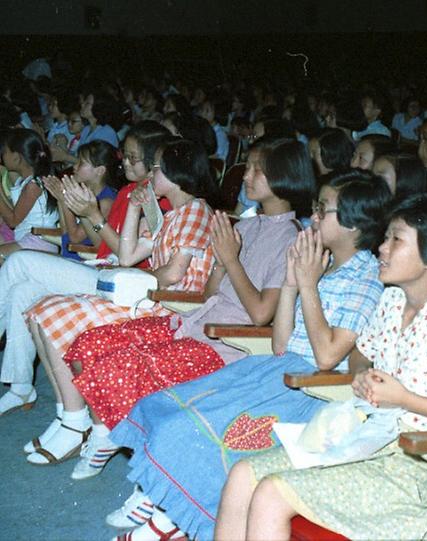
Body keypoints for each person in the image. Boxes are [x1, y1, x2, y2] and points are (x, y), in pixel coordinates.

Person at [104, 171, 389, 540]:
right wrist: (291, 283)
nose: (313, 216)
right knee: (174, 407)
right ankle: (168, 505)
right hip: (277, 369)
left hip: (312, 391)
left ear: (355, 223)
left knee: (200, 431)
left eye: (323, 210)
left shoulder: (365, 279)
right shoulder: (320, 260)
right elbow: (281, 344)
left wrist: (306, 284)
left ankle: (175, 518)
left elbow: (325, 356)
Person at [25, 138, 315, 482]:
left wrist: (230, 260)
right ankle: (101, 430)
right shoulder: (247, 226)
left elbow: (260, 314)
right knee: (87, 345)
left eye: (256, 169)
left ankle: (110, 439)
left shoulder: (289, 237)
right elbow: (210, 293)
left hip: (227, 344)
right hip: (193, 322)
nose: (246, 176)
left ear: (282, 177)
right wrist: (223, 264)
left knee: (115, 366)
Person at [215, 194, 427, 541]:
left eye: (396, 240)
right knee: (243, 473)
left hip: (414, 466)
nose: (381, 248)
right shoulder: (393, 300)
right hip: (365, 439)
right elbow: (361, 352)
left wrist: (405, 398)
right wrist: (364, 372)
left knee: (272, 493)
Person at [24, 139, 217, 466]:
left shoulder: (196, 211)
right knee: (41, 310)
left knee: (49, 313)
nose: (151, 173)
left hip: (170, 308)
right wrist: (135, 208)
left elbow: (172, 275)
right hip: (151, 300)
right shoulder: (173, 214)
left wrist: (134, 279)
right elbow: (128, 255)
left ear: (176, 173)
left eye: (157, 167)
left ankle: (75, 420)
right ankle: (68, 415)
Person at [0, 123, 170, 417]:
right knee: (21, 292)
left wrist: (91, 213)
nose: (125, 163)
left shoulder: (155, 199)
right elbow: (98, 244)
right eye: (125, 156)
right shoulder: (129, 191)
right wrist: (80, 209)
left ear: (156, 164)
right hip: (101, 268)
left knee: (19, 261)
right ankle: (20, 386)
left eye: (133, 158)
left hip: (126, 284)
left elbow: (126, 257)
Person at [41, 140, 120, 261]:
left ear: (100, 170)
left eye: (81, 163)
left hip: (84, 261)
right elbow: (65, 231)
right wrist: (61, 199)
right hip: (69, 257)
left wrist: (64, 199)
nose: (75, 166)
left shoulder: (105, 202)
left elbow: (75, 238)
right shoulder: (83, 192)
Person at [0, 128, 58, 260]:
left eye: (4, 152)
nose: (2, 156)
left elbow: (13, 221)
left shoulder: (34, 185)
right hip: (29, 239)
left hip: (40, 241)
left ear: (16, 158)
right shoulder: (27, 181)